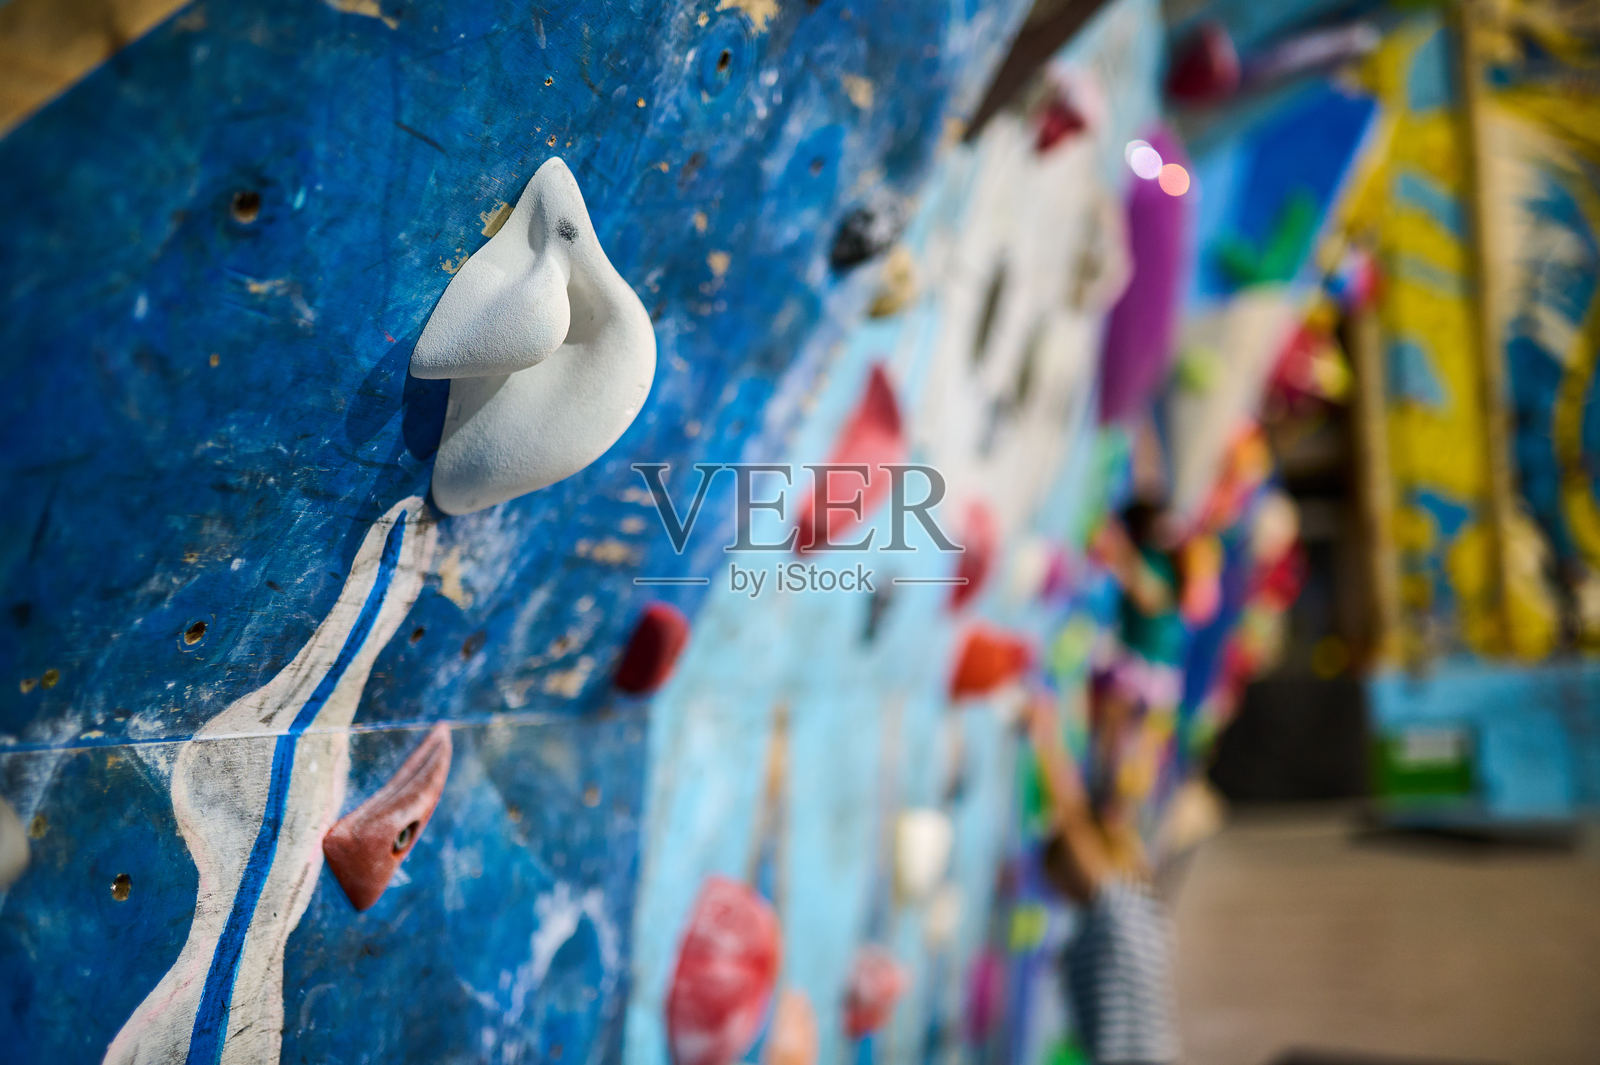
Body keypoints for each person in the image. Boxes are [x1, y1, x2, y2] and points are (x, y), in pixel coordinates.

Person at [1028, 694, 1180, 1065]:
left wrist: (1045, 737)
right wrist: (1113, 732)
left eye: (1056, 880)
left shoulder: (1118, 909)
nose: (1059, 893)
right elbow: (1109, 814)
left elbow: (1074, 818)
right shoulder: (1141, 899)